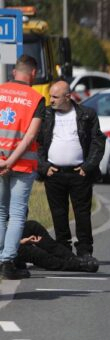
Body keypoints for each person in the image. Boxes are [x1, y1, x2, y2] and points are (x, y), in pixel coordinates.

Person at [37, 79, 105, 258]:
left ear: (68, 97)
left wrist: (88, 166)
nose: (50, 100)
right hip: (54, 172)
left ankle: (84, 250)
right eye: (50, 96)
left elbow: (98, 142)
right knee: (58, 213)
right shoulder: (45, 115)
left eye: (55, 97)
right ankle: (63, 248)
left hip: (79, 173)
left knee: (82, 213)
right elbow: (37, 144)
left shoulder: (86, 115)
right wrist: (44, 167)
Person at [0, 55, 45, 280]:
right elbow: (30, 137)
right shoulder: (36, 98)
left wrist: (2, 160)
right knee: (16, 214)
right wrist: (12, 161)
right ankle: (7, 262)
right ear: (33, 73)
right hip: (22, 164)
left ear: (14, 71)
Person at [16, 220, 98, 272]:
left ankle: (72, 258)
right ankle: (78, 265)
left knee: (32, 226)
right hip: (6, 249)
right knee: (36, 253)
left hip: (10, 239)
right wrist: (19, 242)